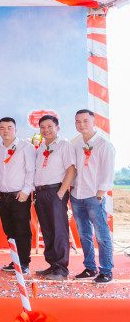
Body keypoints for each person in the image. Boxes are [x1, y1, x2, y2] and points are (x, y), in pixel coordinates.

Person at [70, 109, 115, 284]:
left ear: (93, 122)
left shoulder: (104, 145)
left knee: (102, 235)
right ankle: (90, 267)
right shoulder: (75, 144)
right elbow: (73, 169)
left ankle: (106, 270)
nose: (81, 124)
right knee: (84, 234)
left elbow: (108, 173)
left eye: (85, 121)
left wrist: (100, 195)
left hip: (94, 196)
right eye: (78, 121)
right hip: (77, 195)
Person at [33, 114, 76, 281]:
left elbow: (71, 169)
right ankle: (52, 264)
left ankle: (61, 269)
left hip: (55, 191)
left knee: (59, 230)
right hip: (41, 193)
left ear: (57, 128)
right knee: (47, 230)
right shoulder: (41, 148)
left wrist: (61, 193)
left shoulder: (64, 145)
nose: (46, 130)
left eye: (50, 126)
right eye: (42, 127)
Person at [0, 117, 35, 275]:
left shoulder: (25, 147)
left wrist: (26, 191)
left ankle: (24, 262)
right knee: (9, 229)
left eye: (9, 127)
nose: (6, 131)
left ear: (15, 129)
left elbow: (31, 170)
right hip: (2, 196)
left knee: (22, 230)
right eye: (2, 128)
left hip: (19, 196)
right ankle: (15, 260)